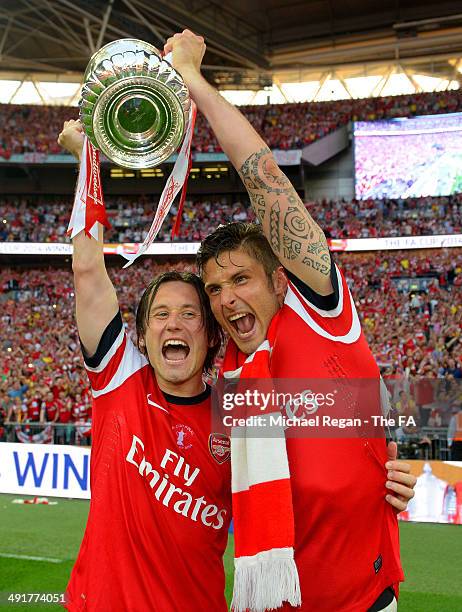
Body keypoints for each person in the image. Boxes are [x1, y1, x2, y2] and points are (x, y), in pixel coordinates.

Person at [165, 30, 417, 612]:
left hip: (363, 600)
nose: (226, 299)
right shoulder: (226, 373)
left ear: (281, 281)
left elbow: (267, 182)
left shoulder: (322, 315)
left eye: (240, 279)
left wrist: (196, 84)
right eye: (215, 288)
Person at [57, 125, 231, 611]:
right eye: (160, 314)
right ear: (142, 336)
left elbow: (311, 465)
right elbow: (88, 270)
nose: (173, 324)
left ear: (211, 334)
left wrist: (379, 458)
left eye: (189, 314)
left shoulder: (236, 414)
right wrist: (86, 159)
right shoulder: (120, 378)